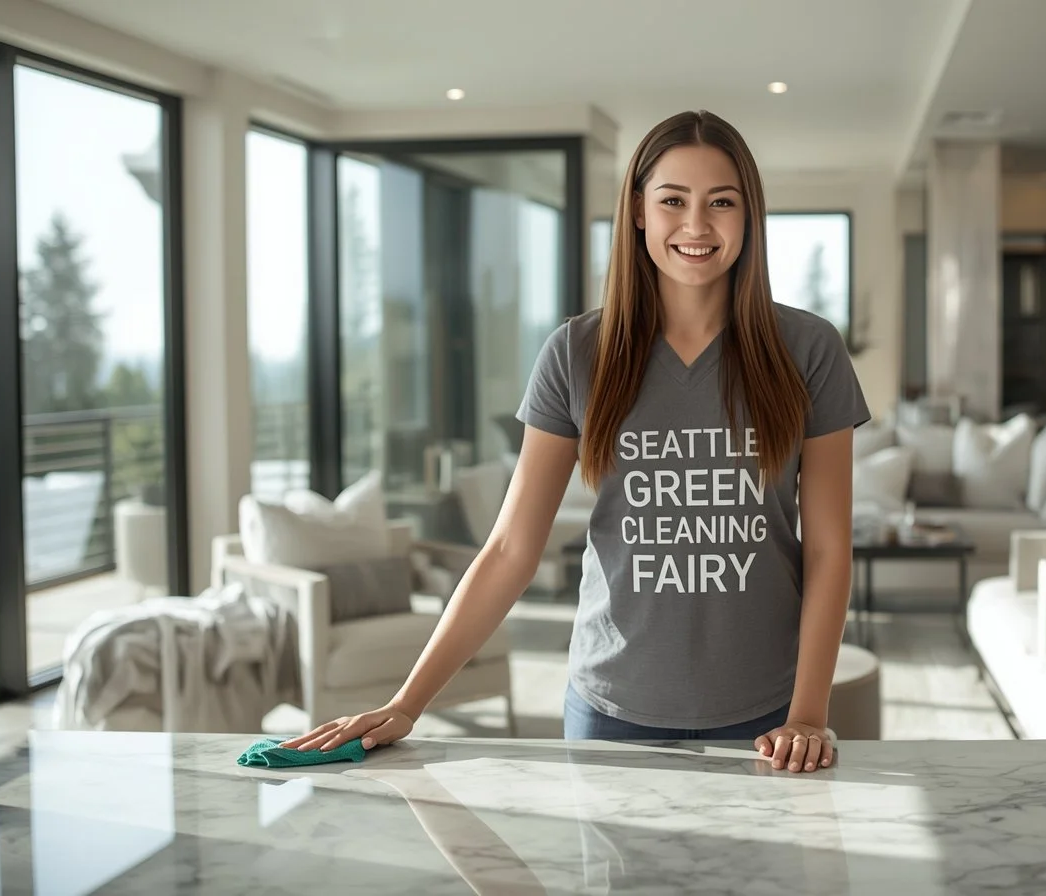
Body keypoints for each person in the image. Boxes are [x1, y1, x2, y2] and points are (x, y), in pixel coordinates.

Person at [281, 110, 869, 774]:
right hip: (609, 713)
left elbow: (827, 550)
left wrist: (808, 714)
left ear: (748, 214)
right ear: (640, 211)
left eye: (721, 202)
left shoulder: (808, 349)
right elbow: (509, 549)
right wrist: (407, 703)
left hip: (768, 718)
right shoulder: (576, 354)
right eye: (673, 200)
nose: (697, 225)